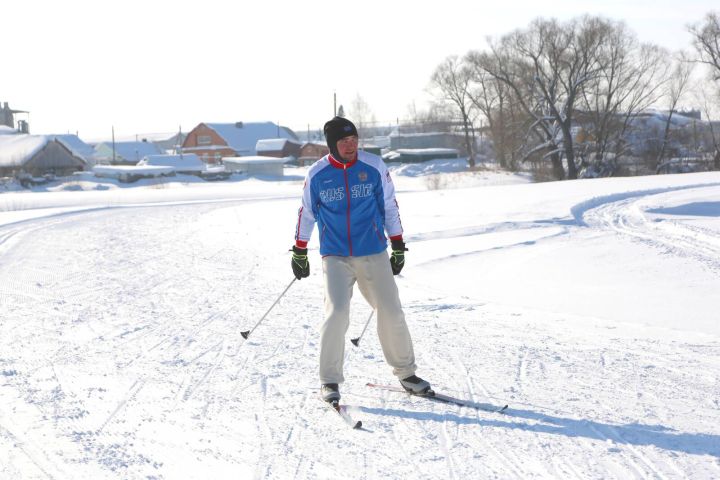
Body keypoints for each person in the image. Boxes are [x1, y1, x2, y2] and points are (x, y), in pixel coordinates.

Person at [291, 116, 431, 404]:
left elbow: (389, 205)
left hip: (373, 251)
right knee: (337, 313)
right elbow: (306, 213)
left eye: (354, 139)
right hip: (335, 255)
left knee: (391, 310)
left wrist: (398, 243)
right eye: (344, 141)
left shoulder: (374, 166)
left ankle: (406, 373)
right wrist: (300, 250)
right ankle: (329, 380)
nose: (350, 145)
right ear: (332, 144)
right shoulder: (317, 174)